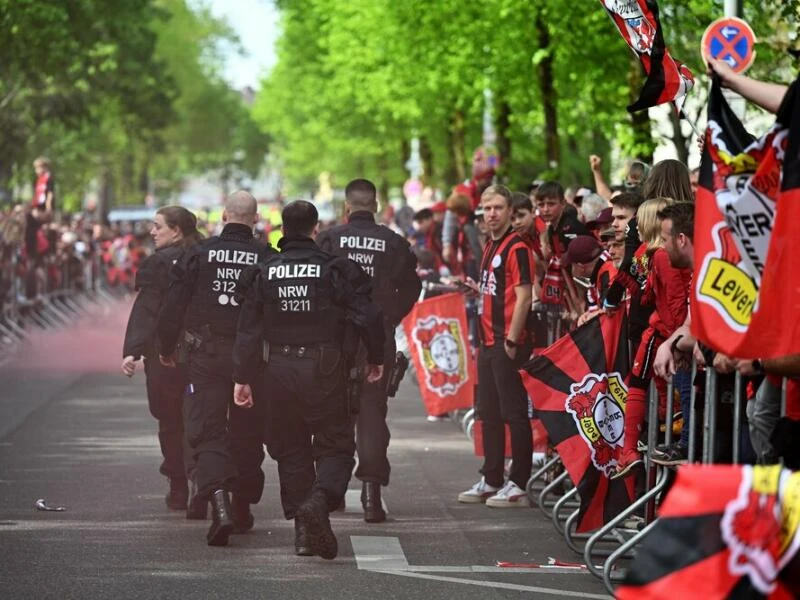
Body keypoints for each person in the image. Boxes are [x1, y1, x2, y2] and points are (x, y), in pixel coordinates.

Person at [232, 200, 385, 560]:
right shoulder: (335, 269)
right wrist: (376, 358)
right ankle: (318, 502)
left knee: (290, 449)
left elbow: (248, 330)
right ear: (316, 228)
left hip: (277, 371)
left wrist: (242, 377)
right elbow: (369, 316)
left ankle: (304, 533)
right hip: (325, 370)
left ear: (282, 229)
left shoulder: (264, 270)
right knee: (335, 445)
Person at [157, 191, 275, 547]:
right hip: (251, 361)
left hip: (204, 356)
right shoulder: (266, 256)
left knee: (207, 431)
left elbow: (173, 303)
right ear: (254, 219)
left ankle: (219, 499)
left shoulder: (199, 252)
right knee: (246, 431)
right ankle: (240, 509)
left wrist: (165, 347)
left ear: (224, 216)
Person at [316, 179, 421, 523]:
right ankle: (371, 495)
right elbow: (412, 287)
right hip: (377, 338)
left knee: (334, 412)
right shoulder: (393, 242)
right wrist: (389, 317)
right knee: (372, 413)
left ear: (347, 208)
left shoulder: (329, 240)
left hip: (336, 339)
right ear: (375, 206)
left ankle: (333, 490)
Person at [458, 185, 534, 507]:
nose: (491, 214)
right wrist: (479, 291)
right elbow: (498, 289)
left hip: (506, 343)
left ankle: (518, 482)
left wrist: (512, 340)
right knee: (488, 413)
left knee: (514, 413)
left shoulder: (517, 247)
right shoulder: (490, 244)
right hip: (487, 342)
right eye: (487, 208)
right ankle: (492, 478)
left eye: (498, 208)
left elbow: (525, 295)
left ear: (509, 210)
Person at [122, 206, 202, 511]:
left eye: (157, 226)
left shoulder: (157, 264)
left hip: (164, 357)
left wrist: (133, 350)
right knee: (200, 419)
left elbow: (147, 309)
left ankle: (179, 486)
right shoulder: (206, 256)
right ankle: (200, 484)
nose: (152, 232)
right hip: (201, 353)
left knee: (170, 421)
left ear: (177, 230)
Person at [613, 198, 691, 478]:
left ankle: (630, 449)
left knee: (644, 385)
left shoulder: (659, 256)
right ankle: (632, 448)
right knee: (654, 393)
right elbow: (647, 292)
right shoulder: (653, 254)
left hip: (667, 338)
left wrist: (674, 340)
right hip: (666, 337)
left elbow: (675, 301)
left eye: (636, 221)